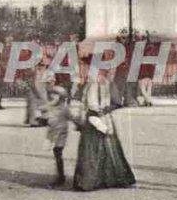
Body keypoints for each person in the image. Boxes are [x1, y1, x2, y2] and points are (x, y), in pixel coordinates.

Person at [73, 62, 136, 191]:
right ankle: (91, 180)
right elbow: (89, 104)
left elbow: (116, 102)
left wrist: (107, 109)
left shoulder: (106, 84)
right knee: (94, 150)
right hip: (94, 119)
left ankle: (107, 178)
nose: (104, 74)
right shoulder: (92, 85)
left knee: (107, 149)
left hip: (103, 117)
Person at [41, 86, 75, 187]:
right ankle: (60, 175)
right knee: (56, 153)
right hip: (52, 133)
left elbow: (72, 117)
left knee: (57, 151)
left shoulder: (64, 108)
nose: (52, 96)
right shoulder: (50, 106)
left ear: (61, 97)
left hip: (61, 133)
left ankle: (61, 176)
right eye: (51, 94)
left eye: (55, 95)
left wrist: (80, 124)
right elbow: (43, 112)